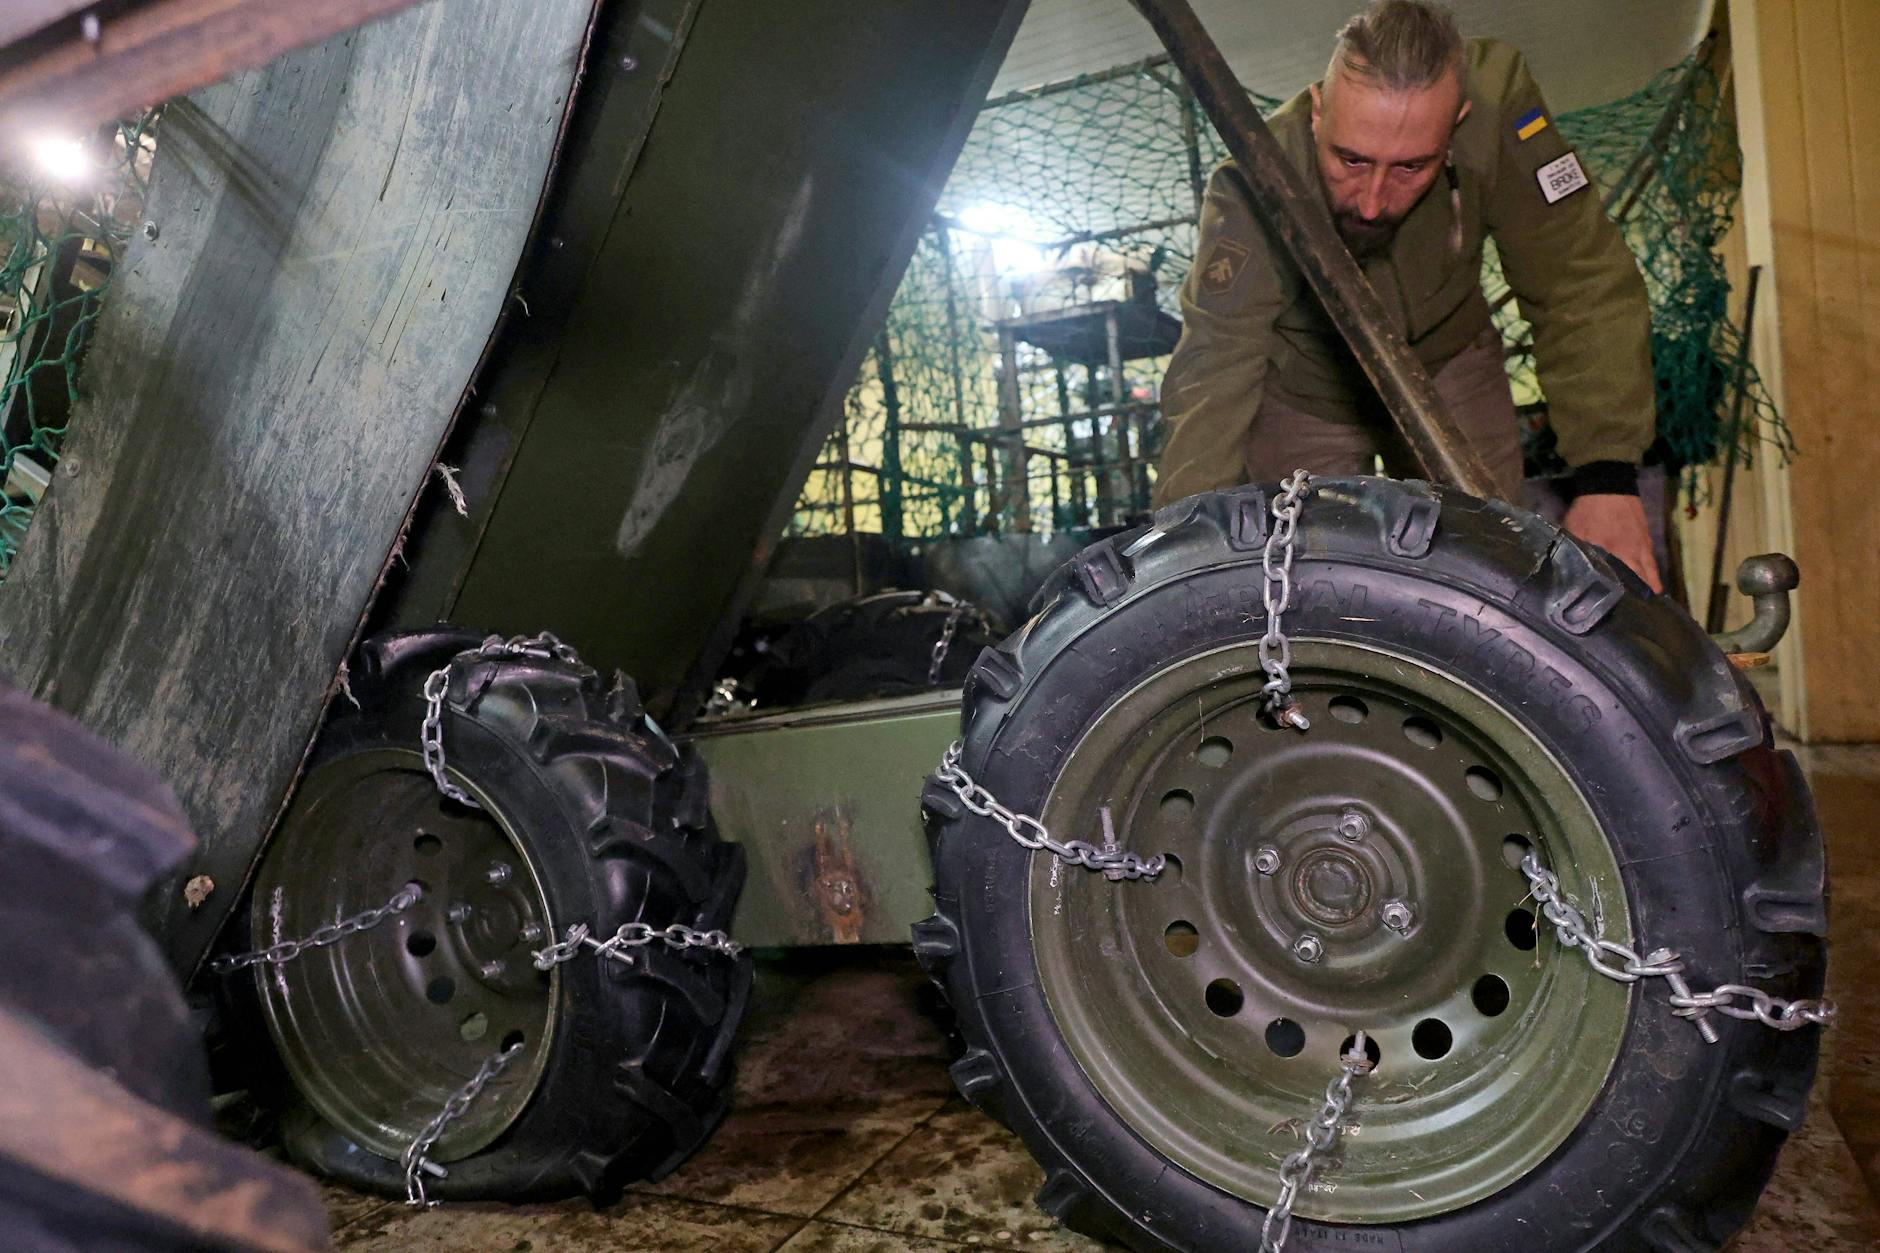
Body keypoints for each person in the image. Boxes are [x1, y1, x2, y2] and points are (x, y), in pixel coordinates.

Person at [1152, 0, 1662, 589]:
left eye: (1411, 167)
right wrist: (1182, 552)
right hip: (1305, 390)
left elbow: (1578, 278)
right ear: (1318, 112)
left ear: (1458, 122)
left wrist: (1607, 479)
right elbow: (1213, 366)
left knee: (1492, 572)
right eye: (1350, 159)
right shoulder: (1252, 179)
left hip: (1451, 363)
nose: (1371, 202)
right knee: (1298, 589)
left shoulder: (1498, 111)